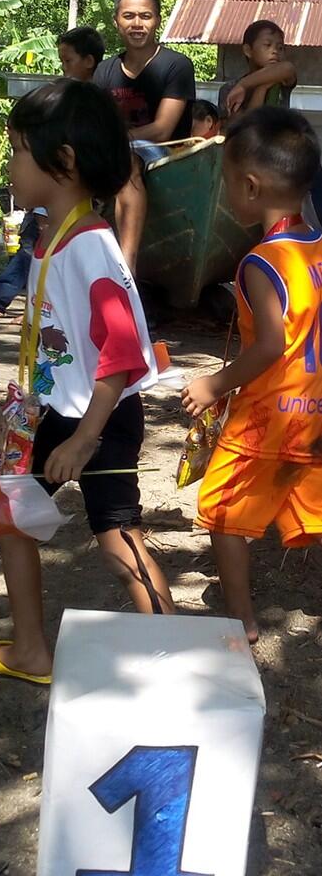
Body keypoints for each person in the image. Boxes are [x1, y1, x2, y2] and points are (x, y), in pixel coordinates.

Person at [0, 80, 175, 684]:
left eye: (18, 151)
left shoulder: (90, 248)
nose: (9, 164)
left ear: (65, 160)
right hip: (50, 408)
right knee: (9, 514)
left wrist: (85, 439)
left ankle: (174, 660)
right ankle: (32, 648)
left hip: (93, 417)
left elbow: (123, 353)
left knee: (116, 537)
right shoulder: (54, 235)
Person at [182, 107, 322, 646]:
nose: (225, 197)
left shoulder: (262, 263)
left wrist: (214, 385)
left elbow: (269, 344)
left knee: (221, 511)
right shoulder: (316, 247)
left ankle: (241, 619)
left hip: (271, 412)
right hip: (314, 409)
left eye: (226, 185)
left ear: (250, 185)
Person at [0, 26, 105, 320]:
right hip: (56, 198)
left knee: (39, 246)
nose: (63, 68)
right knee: (33, 245)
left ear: (89, 61)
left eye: (68, 61)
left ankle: (26, 305)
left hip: (62, 198)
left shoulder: (84, 107)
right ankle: (27, 305)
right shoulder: (65, 98)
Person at [94, 0, 195, 273]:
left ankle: (127, 265)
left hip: (166, 153)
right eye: (128, 16)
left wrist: (116, 141)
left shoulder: (176, 65)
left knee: (129, 160)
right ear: (116, 21)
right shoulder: (104, 71)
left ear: (157, 21)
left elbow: (163, 128)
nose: (137, 24)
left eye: (145, 16)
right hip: (116, 150)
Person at [218, 20, 297, 123]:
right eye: (267, 45)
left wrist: (243, 85)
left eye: (280, 47)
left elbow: (287, 68)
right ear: (248, 51)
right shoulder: (230, 89)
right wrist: (262, 88)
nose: (275, 51)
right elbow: (249, 125)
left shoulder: (282, 81)